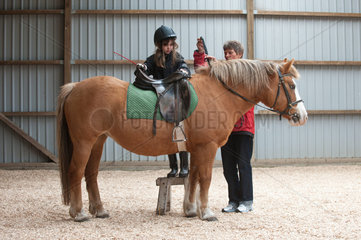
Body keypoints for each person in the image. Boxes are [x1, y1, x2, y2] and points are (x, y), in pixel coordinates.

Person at [193, 39, 255, 213]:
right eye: (226, 53)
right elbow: (202, 73)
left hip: (244, 127)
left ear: (240, 54)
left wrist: (218, 64)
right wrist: (202, 55)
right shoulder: (223, 71)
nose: (227, 56)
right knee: (228, 168)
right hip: (224, 128)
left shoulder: (247, 72)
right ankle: (233, 200)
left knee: (243, 165)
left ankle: (247, 200)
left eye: (230, 53)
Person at [134, 25, 191, 178]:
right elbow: (147, 66)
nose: (168, 47)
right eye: (166, 45)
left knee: (180, 128)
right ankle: (173, 167)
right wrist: (143, 66)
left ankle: (185, 166)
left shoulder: (177, 57)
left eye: (171, 44)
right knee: (167, 133)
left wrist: (184, 71)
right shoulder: (154, 59)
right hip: (161, 92)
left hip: (175, 93)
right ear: (160, 45)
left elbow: (184, 66)